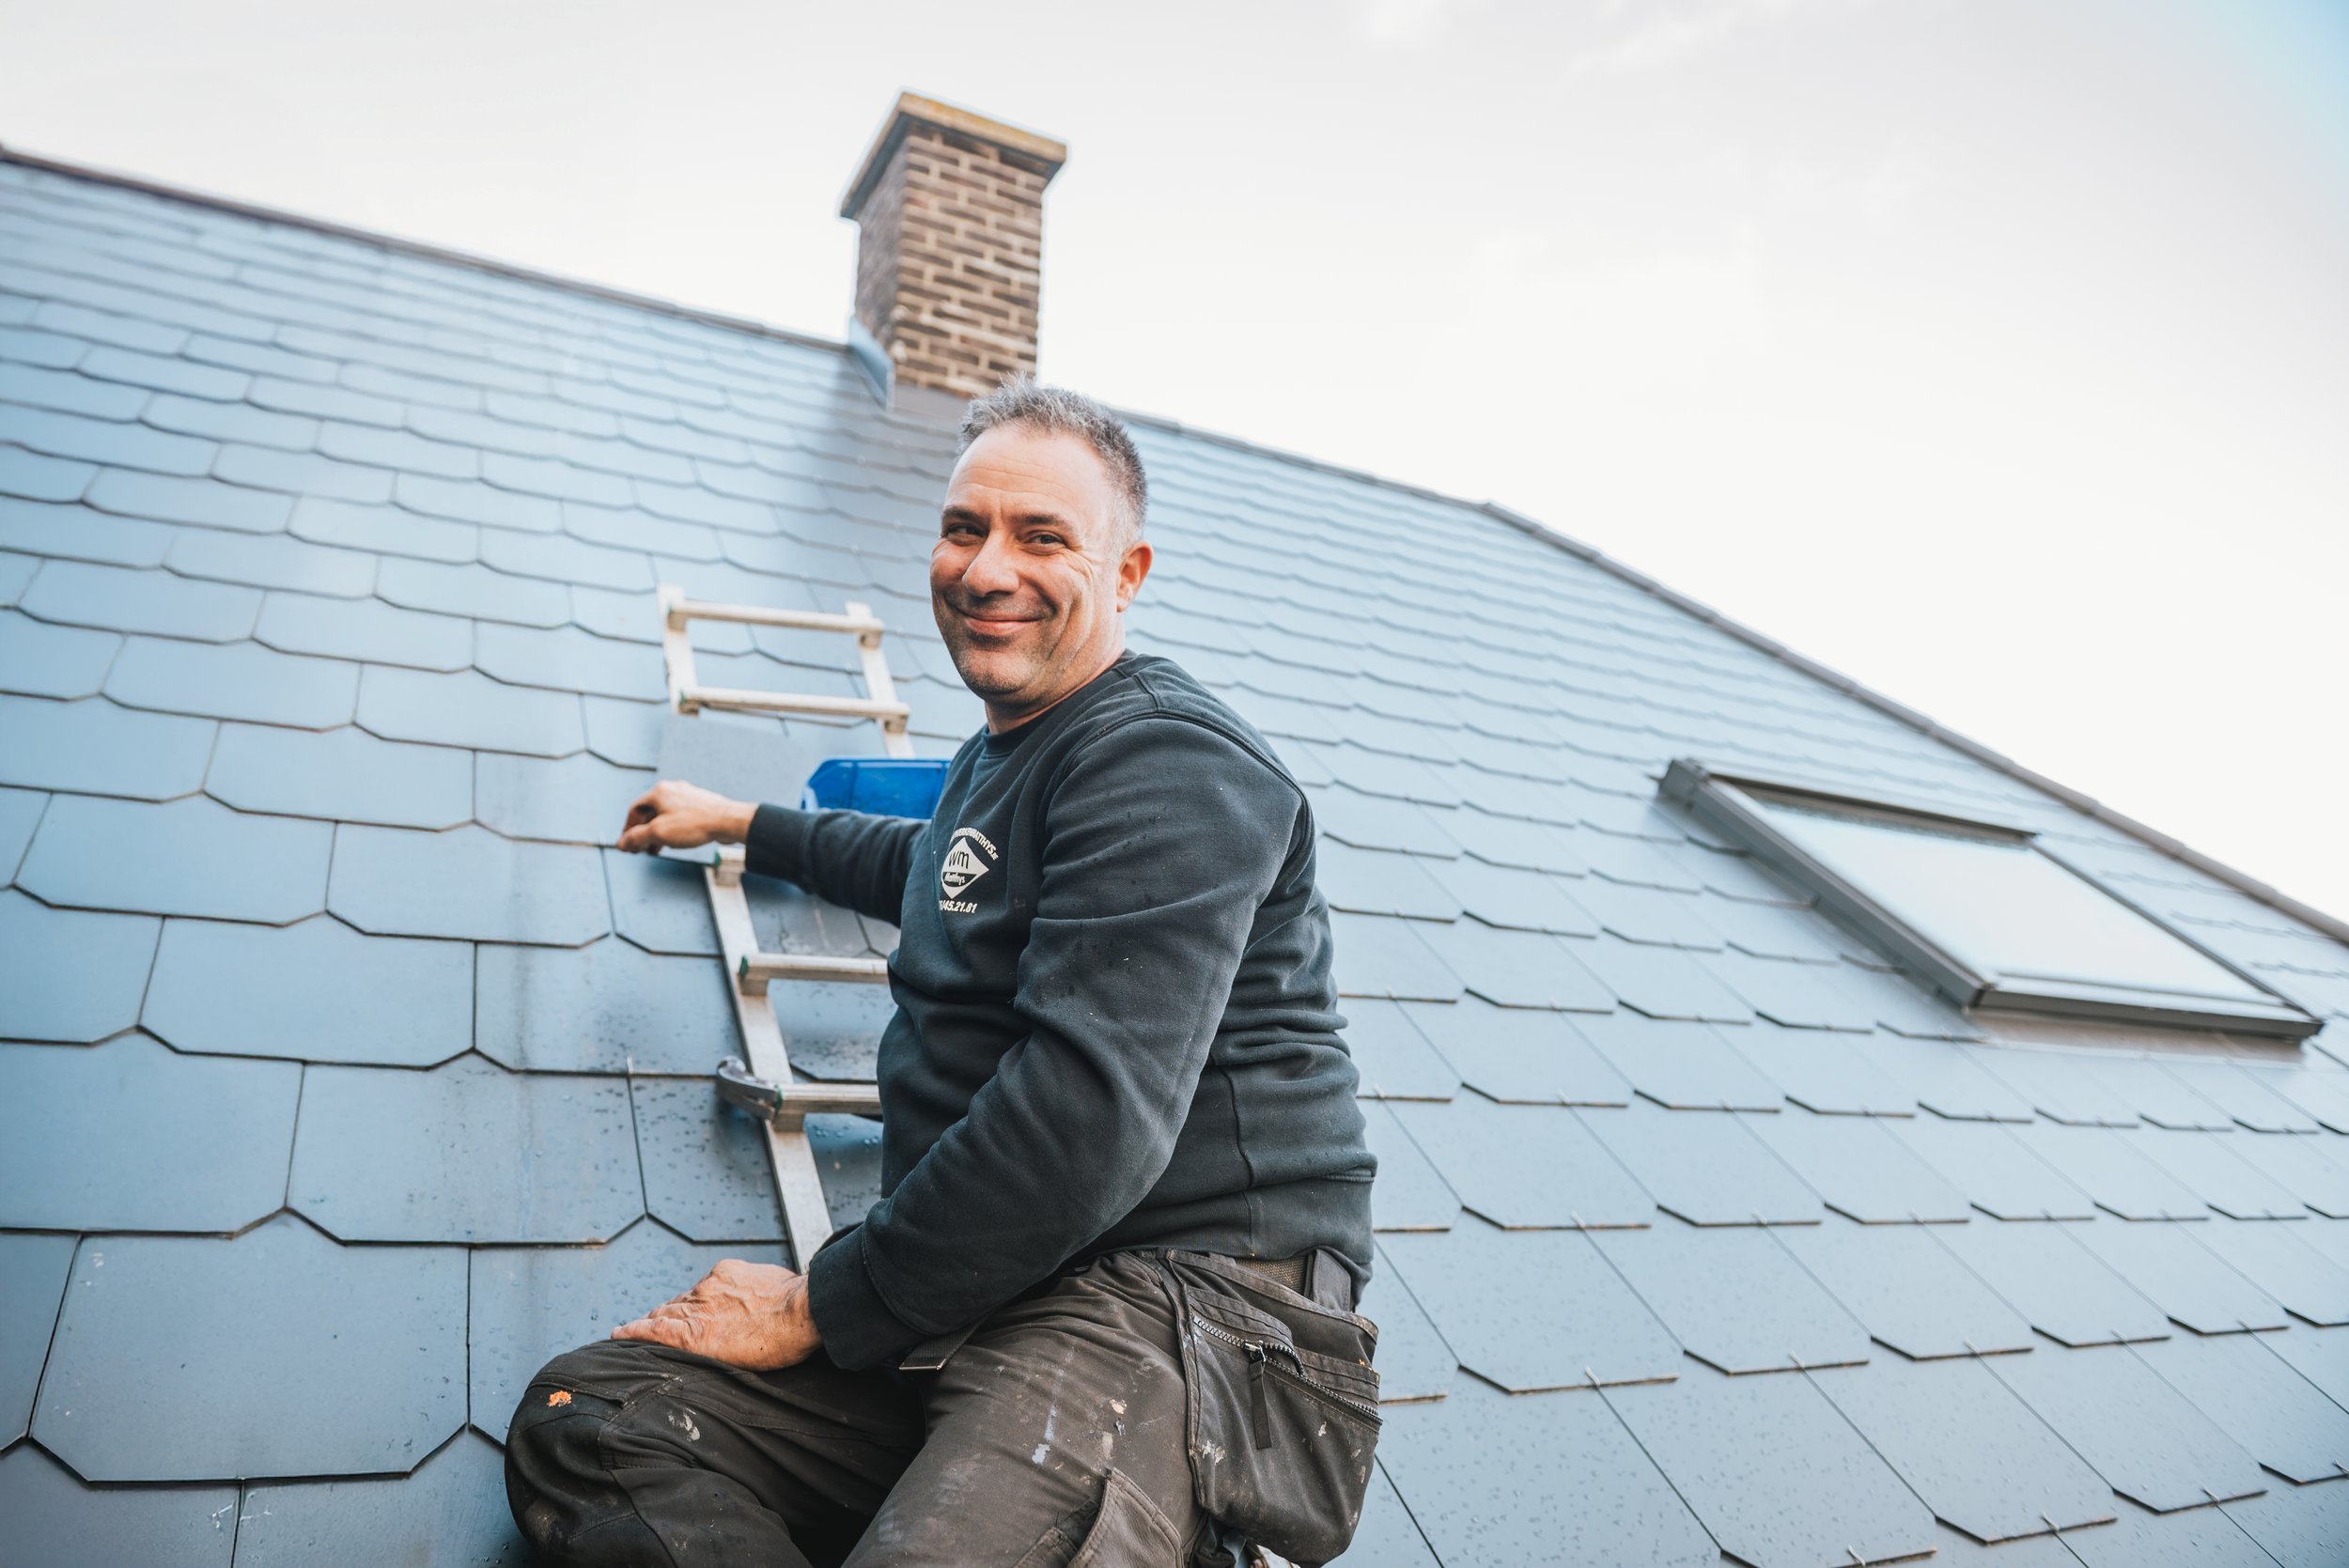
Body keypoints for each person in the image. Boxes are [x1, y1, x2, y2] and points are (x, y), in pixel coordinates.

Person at [504, 381, 1380, 1568]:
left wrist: (822, 1302)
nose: (984, 567)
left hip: (1177, 1305)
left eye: (1041, 536)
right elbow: (932, 867)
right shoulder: (1005, 760)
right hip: (992, 1293)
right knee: (600, 1419)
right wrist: (747, 823)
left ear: (1127, 574)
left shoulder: (1168, 760)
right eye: (965, 527)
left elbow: (1083, 1124)